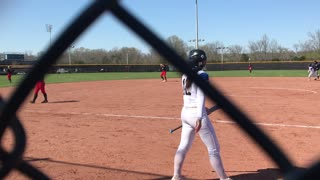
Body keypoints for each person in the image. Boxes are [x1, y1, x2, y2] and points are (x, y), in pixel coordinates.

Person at [171, 49, 232, 180]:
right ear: (200, 62)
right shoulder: (202, 75)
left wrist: (201, 110)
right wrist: (199, 115)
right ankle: (224, 179)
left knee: (183, 146)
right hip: (196, 115)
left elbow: (191, 96)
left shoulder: (184, 75)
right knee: (214, 150)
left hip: (185, 113)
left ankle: (176, 176)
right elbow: (200, 96)